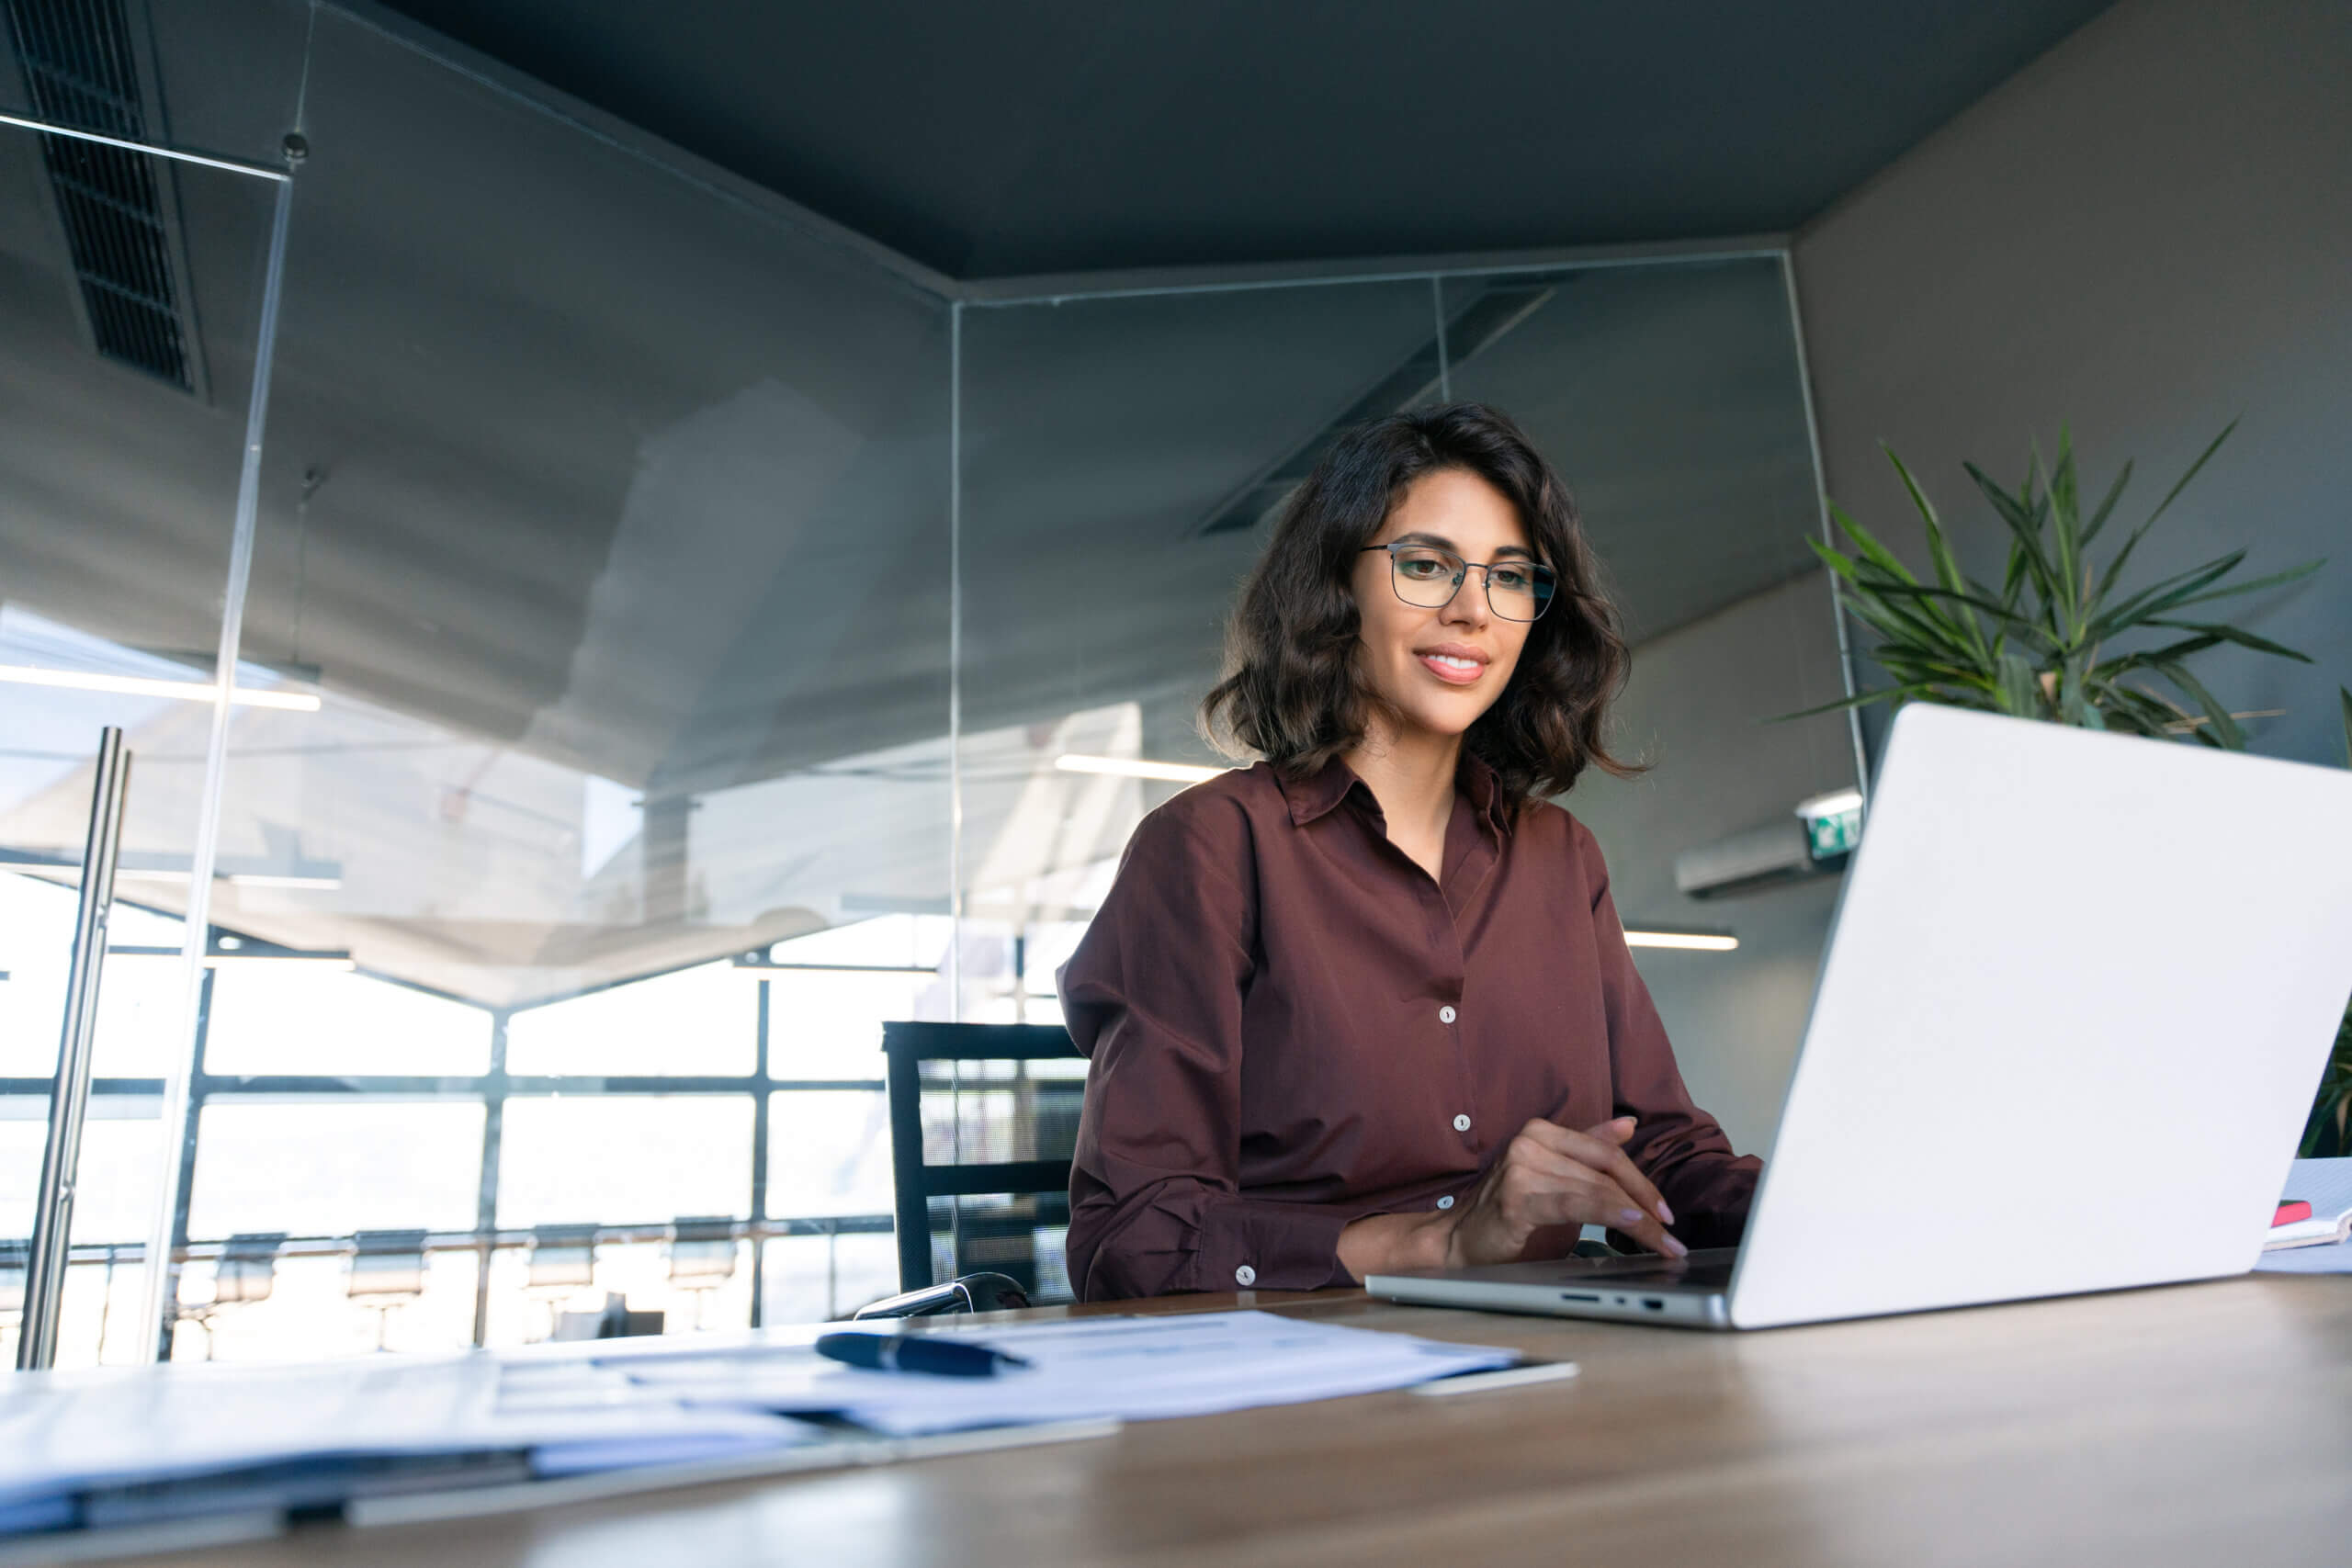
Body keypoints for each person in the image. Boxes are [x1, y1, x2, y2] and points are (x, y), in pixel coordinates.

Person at [1056, 402, 1760, 1303]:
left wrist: (1820, 1205)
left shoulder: (1560, 858)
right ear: (1334, 591)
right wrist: (1439, 1246)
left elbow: (1662, 1153)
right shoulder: (1210, 850)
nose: (1472, 610)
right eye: (1426, 566)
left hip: (1553, 1361)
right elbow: (1132, 1241)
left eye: (1510, 577)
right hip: (1311, 1385)